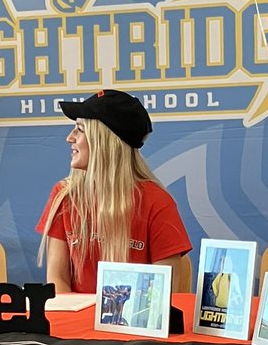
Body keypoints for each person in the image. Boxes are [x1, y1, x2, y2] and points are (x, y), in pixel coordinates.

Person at [36, 89, 191, 293]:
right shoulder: (64, 195)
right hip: (77, 321)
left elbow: (162, 293)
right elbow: (58, 282)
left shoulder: (157, 202)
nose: (69, 138)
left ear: (105, 140)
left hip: (134, 323)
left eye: (80, 129)